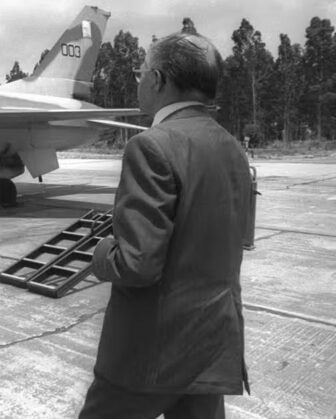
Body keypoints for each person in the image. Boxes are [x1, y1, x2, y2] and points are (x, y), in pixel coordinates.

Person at [79, 32, 252, 418]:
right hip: (211, 348)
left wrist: (103, 252)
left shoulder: (151, 145)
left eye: (140, 72)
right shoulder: (233, 148)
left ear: (157, 80)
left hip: (149, 353)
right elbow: (235, 240)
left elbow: (137, 265)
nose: (138, 80)